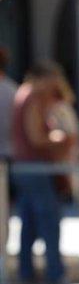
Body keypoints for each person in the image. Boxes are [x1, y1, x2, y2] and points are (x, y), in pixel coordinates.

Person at [12, 63, 72, 284]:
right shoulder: (31, 97)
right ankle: (55, 270)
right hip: (34, 167)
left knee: (28, 222)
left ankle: (26, 270)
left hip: (25, 167)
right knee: (49, 219)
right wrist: (58, 138)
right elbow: (36, 138)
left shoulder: (23, 94)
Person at [0, 48, 18, 249]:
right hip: (10, 157)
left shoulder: (12, 92)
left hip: (7, 158)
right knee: (4, 212)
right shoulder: (13, 91)